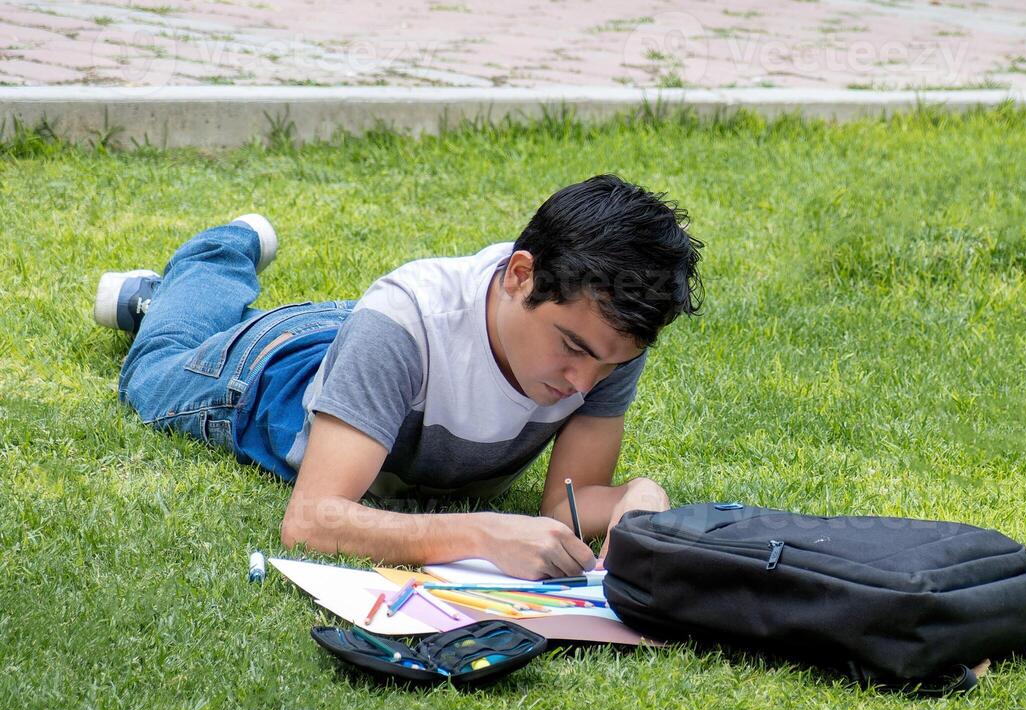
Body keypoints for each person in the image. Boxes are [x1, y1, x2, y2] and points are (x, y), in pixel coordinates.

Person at [95, 174, 703, 579]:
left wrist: (639, 496)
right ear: (520, 276)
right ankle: (218, 255)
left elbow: (565, 504)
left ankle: (171, 296)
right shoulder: (402, 323)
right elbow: (312, 520)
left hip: (367, 348)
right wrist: (483, 535)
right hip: (264, 369)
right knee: (157, 363)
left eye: (609, 365)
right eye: (571, 349)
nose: (583, 385)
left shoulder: (606, 339)